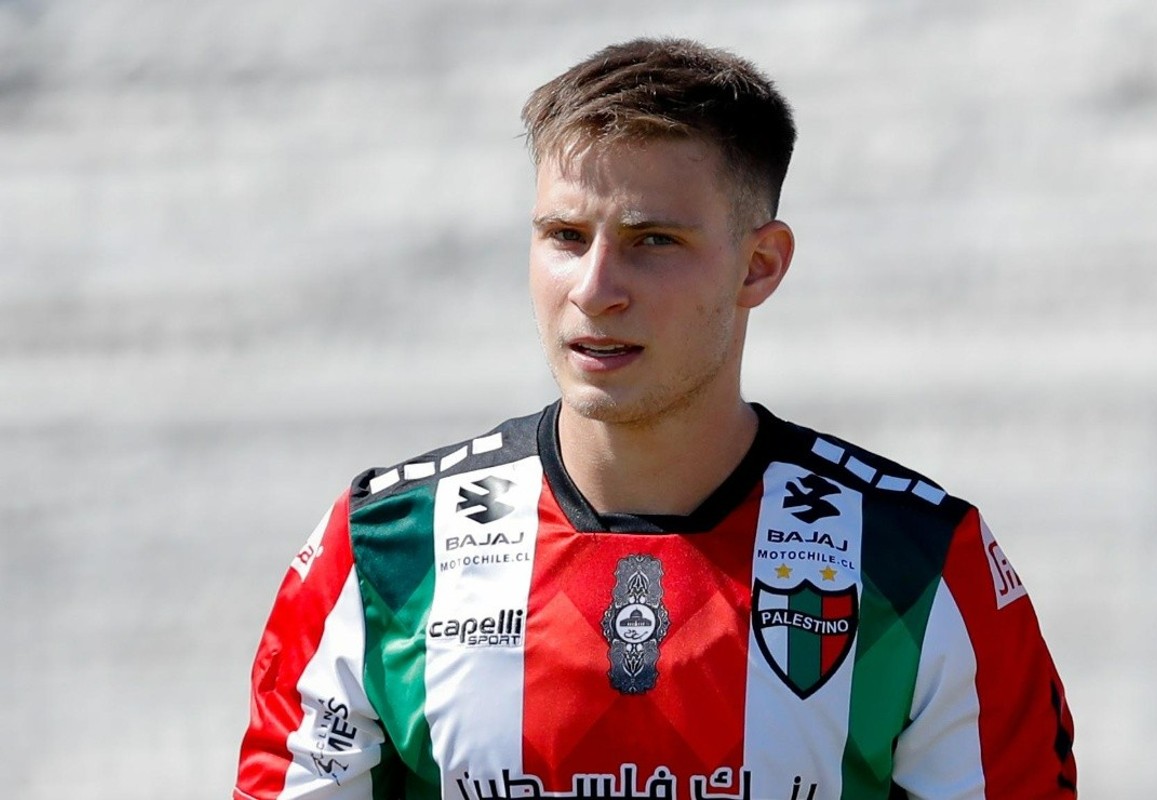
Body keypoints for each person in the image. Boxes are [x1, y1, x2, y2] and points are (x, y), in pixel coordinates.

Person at [233, 37, 1077, 800]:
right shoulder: (386, 549)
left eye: (653, 241)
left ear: (760, 265)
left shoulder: (919, 564)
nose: (596, 290)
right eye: (565, 235)